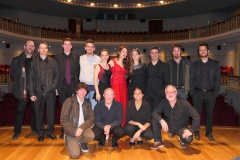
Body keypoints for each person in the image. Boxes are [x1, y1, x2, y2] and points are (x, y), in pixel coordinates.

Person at [150, 85, 200, 149]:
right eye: (167, 92)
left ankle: (182, 140)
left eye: (171, 92)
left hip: (181, 128)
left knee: (188, 139)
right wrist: (162, 121)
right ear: (165, 94)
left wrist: (191, 130)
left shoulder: (184, 103)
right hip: (168, 126)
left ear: (176, 93)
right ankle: (158, 142)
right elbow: (154, 113)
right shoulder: (163, 102)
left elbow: (196, 116)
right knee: (155, 120)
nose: (169, 94)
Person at [28, 41, 60, 142]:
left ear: (47, 49)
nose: (43, 49)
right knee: (39, 114)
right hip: (37, 92)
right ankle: (41, 132)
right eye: (41, 48)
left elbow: (57, 75)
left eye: (45, 48)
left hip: (50, 92)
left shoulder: (53, 62)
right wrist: (31, 93)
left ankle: (50, 132)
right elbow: (30, 78)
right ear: (38, 50)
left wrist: (53, 86)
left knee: (51, 113)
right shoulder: (33, 62)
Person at [190, 42, 220, 141]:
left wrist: (216, 93)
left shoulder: (215, 64)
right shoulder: (194, 65)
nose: (202, 51)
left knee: (209, 114)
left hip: (210, 93)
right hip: (197, 93)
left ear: (208, 51)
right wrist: (192, 92)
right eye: (200, 50)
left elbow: (217, 79)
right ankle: (197, 132)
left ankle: (209, 133)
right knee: (196, 115)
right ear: (199, 52)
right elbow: (191, 79)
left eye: (204, 49)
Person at [10, 40, 38, 140]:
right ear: (24, 47)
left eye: (32, 46)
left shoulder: (37, 60)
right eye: (28, 45)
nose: (30, 47)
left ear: (34, 48)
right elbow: (12, 74)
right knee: (20, 111)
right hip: (23, 90)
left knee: (35, 111)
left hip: (34, 90)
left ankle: (34, 129)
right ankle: (17, 132)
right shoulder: (16, 60)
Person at [60, 82, 95, 159]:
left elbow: (91, 118)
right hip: (71, 128)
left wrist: (81, 128)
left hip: (83, 127)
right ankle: (67, 139)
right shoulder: (69, 101)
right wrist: (74, 131)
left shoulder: (88, 102)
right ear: (76, 91)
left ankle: (81, 142)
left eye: (85, 90)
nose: (83, 92)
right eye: (81, 90)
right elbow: (63, 119)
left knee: (91, 135)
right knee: (75, 155)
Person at [54, 38, 80, 139]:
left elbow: (78, 72)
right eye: (65, 44)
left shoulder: (76, 57)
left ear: (71, 46)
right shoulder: (57, 57)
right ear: (62, 45)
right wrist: (56, 87)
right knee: (64, 109)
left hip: (73, 85)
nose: (67, 46)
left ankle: (72, 130)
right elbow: (55, 73)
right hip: (62, 85)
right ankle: (64, 130)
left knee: (73, 109)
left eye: (69, 44)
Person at [166, 43, 191, 138]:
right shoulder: (168, 63)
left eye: (178, 50)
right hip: (172, 91)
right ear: (172, 52)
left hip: (183, 90)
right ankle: (172, 130)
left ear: (181, 51)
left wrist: (188, 89)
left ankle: (183, 130)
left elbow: (190, 76)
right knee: (172, 111)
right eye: (174, 50)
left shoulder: (187, 63)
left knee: (183, 112)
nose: (176, 52)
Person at [109, 46, 131, 126]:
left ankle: (122, 123)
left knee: (123, 104)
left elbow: (127, 77)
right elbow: (105, 71)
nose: (124, 53)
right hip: (115, 86)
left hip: (123, 87)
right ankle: (114, 124)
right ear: (119, 52)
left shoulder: (126, 65)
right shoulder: (112, 61)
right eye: (123, 51)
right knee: (116, 104)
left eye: (126, 52)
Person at [144, 46, 170, 111]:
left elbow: (167, 81)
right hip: (148, 94)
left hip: (158, 94)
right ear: (150, 54)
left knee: (156, 114)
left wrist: (163, 92)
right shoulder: (147, 65)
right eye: (152, 53)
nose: (154, 54)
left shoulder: (165, 66)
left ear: (159, 54)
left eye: (156, 52)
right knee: (148, 113)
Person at [79, 39, 101, 109]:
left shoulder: (99, 59)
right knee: (82, 108)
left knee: (93, 108)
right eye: (88, 46)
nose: (90, 48)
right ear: (85, 48)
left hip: (94, 86)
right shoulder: (80, 58)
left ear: (94, 49)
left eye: (92, 47)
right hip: (83, 86)